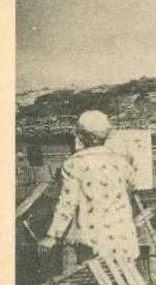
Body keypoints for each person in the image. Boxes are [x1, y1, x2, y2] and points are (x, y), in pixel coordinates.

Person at [38, 110, 140, 266]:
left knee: (92, 279)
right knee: (119, 280)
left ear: (83, 136)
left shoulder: (74, 164)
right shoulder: (121, 162)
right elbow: (130, 191)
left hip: (93, 241)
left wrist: (52, 235)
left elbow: (67, 203)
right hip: (124, 239)